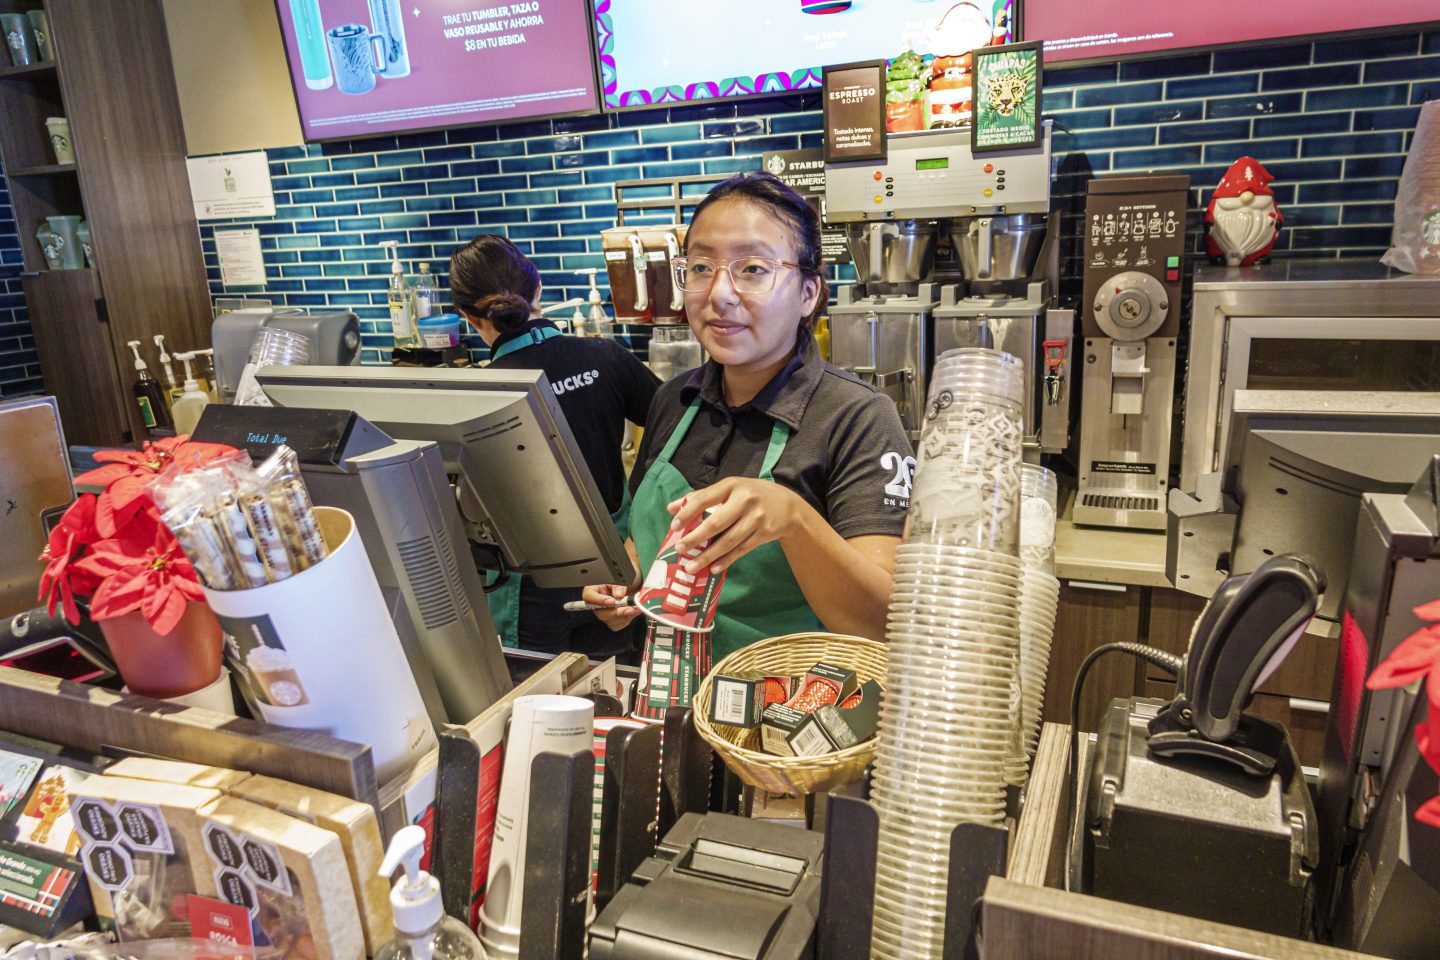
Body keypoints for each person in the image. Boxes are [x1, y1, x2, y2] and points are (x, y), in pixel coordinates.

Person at [582, 172, 913, 662]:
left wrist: (794, 519)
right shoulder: (673, 399)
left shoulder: (858, 418)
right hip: (663, 692)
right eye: (699, 267)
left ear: (807, 294)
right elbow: (643, 542)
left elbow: (883, 623)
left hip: (789, 714)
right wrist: (624, 581)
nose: (719, 293)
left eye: (753, 268)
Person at [450, 234, 660, 657]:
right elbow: (675, 428)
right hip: (614, 566)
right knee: (612, 693)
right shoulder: (605, 357)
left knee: (539, 703)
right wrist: (640, 514)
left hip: (529, 588)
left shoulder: (475, 392)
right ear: (538, 289)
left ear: (468, 317)